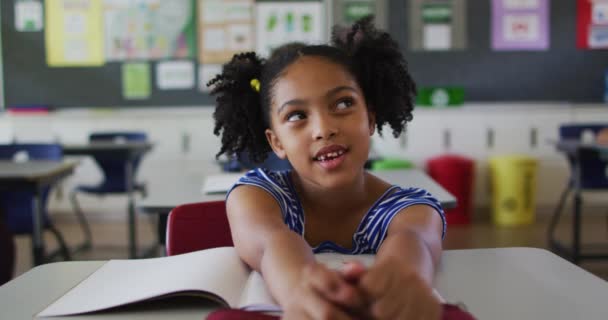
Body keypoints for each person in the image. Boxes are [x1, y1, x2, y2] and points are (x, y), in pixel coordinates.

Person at [209, 17, 446, 319]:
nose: (323, 129)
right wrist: (300, 291)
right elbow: (272, 243)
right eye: (296, 116)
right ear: (276, 141)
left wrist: (397, 285)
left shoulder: (412, 209)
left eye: (343, 104)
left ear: (370, 118)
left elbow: (415, 243)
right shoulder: (256, 195)